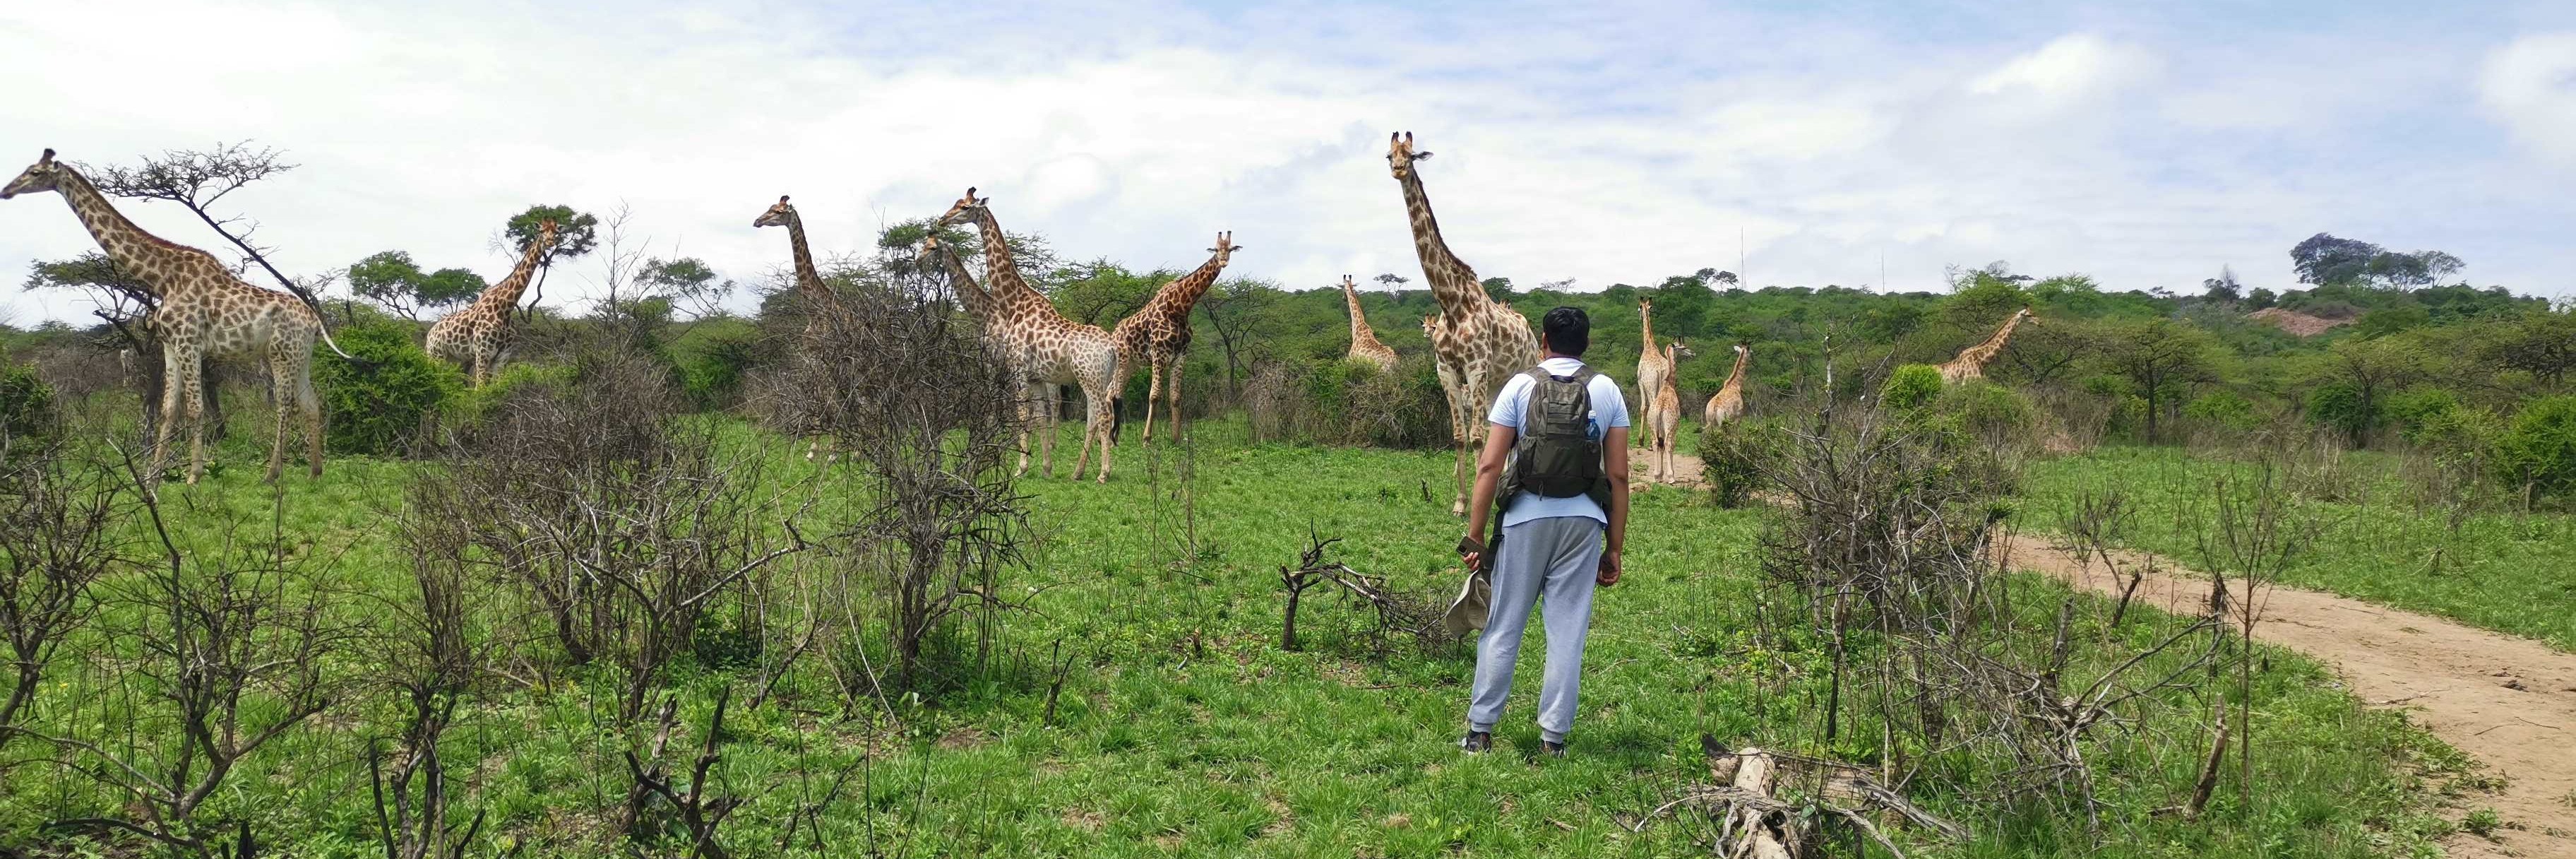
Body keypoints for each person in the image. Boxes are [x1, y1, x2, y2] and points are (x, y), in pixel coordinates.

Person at [1456, 306, 1629, 757]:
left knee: (1503, 625)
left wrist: (1475, 537)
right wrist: (1614, 547)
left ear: (1543, 342)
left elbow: (1491, 465)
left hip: (1524, 519)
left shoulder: (1519, 385)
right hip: (1584, 522)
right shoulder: (1607, 390)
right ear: (1585, 344)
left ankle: (1480, 731)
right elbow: (1619, 478)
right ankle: (1554, 739)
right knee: (1567, 630)